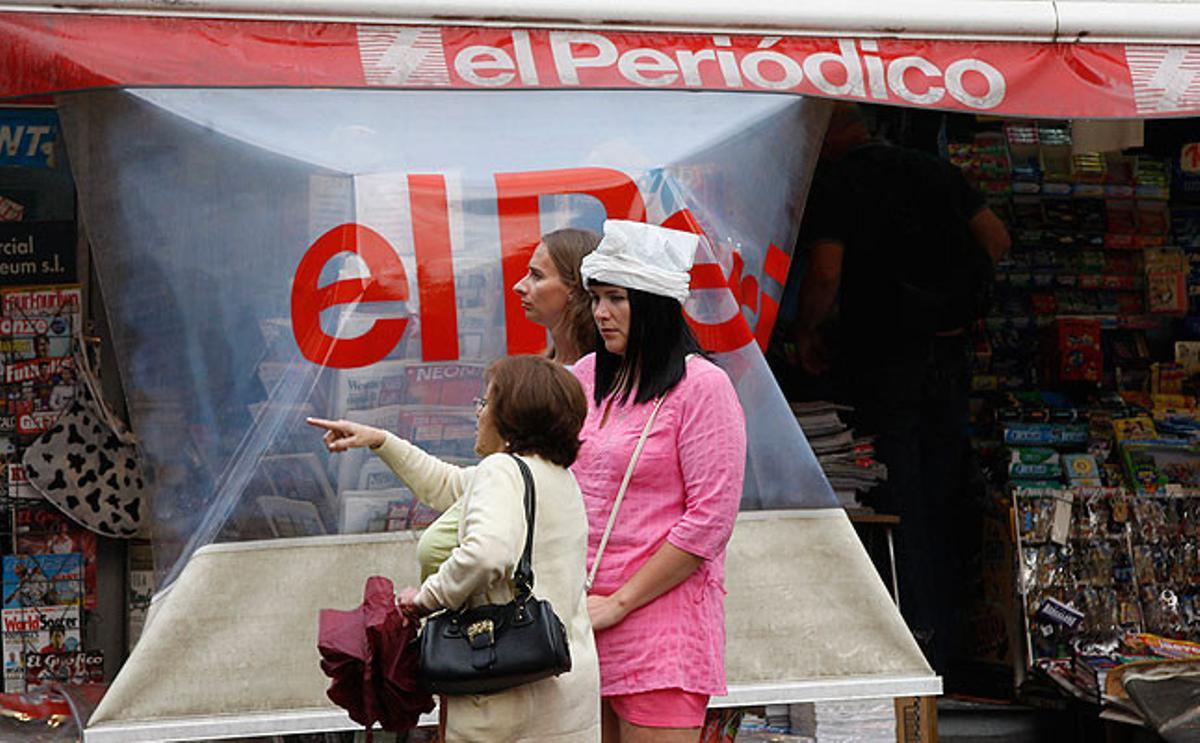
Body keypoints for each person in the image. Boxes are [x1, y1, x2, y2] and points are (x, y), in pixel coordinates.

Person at [792, 104, 1011, 674]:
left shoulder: (840, 183)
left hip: (881, 359)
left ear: (826, 137)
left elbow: (825, 272)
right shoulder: (932, 169)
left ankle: (916, 640)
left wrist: (810, 331)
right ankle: (957, 639)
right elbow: (996, 238)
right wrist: (952, 295)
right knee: (944, 490)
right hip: (948, 353)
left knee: (896, 498)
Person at [307, 355, 600, 743]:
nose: (478, 414)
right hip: (565, 691)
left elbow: (486, 554)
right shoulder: (556, 478)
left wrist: (424, 599)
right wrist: (380, 440)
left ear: (511, 417)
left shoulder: (502, 471)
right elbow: (447, 484)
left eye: (485, 403)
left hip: (501, 691)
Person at [571, 220, 746, 742]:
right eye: (596, 298)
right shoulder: (583, 376)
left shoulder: (703, 389)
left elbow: (709, 523)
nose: (601, 313)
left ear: (654, 303)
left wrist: (620, 602)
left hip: (662, 625)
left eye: (617, 299)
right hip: (579, 618)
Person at [513, 228, 602, 366]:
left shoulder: (609, 376)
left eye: (537, 276)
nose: (519, 287)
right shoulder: (537, 371)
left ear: (574, 287)